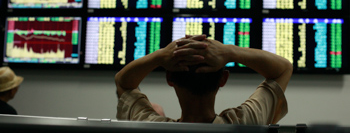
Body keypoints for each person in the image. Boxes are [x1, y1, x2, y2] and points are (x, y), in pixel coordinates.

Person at [115, 35, 293, 124]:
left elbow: (123, 82)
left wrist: (160, 56)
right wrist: (229, 51)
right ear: (223, 79)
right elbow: (283, 69)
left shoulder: (151, 127)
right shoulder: (245, 122)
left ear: (170, 78)